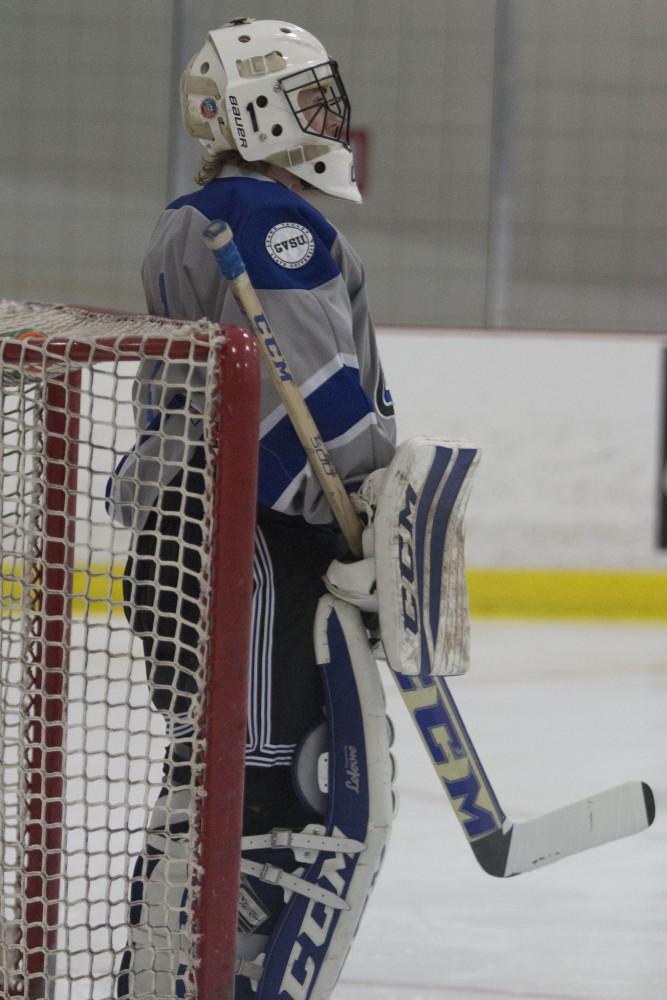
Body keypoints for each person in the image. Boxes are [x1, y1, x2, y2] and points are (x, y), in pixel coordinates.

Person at [107, 17, 397, 1000]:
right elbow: (307, 390)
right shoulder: (264, 214)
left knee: (214, 770)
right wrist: (365, 494)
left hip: (189, 537)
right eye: (309, 97)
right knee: (268, 776)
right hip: (250, 543)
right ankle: (216, 972)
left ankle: (161, 968)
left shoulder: (201, 208)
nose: (328, 117)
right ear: (258, 110)